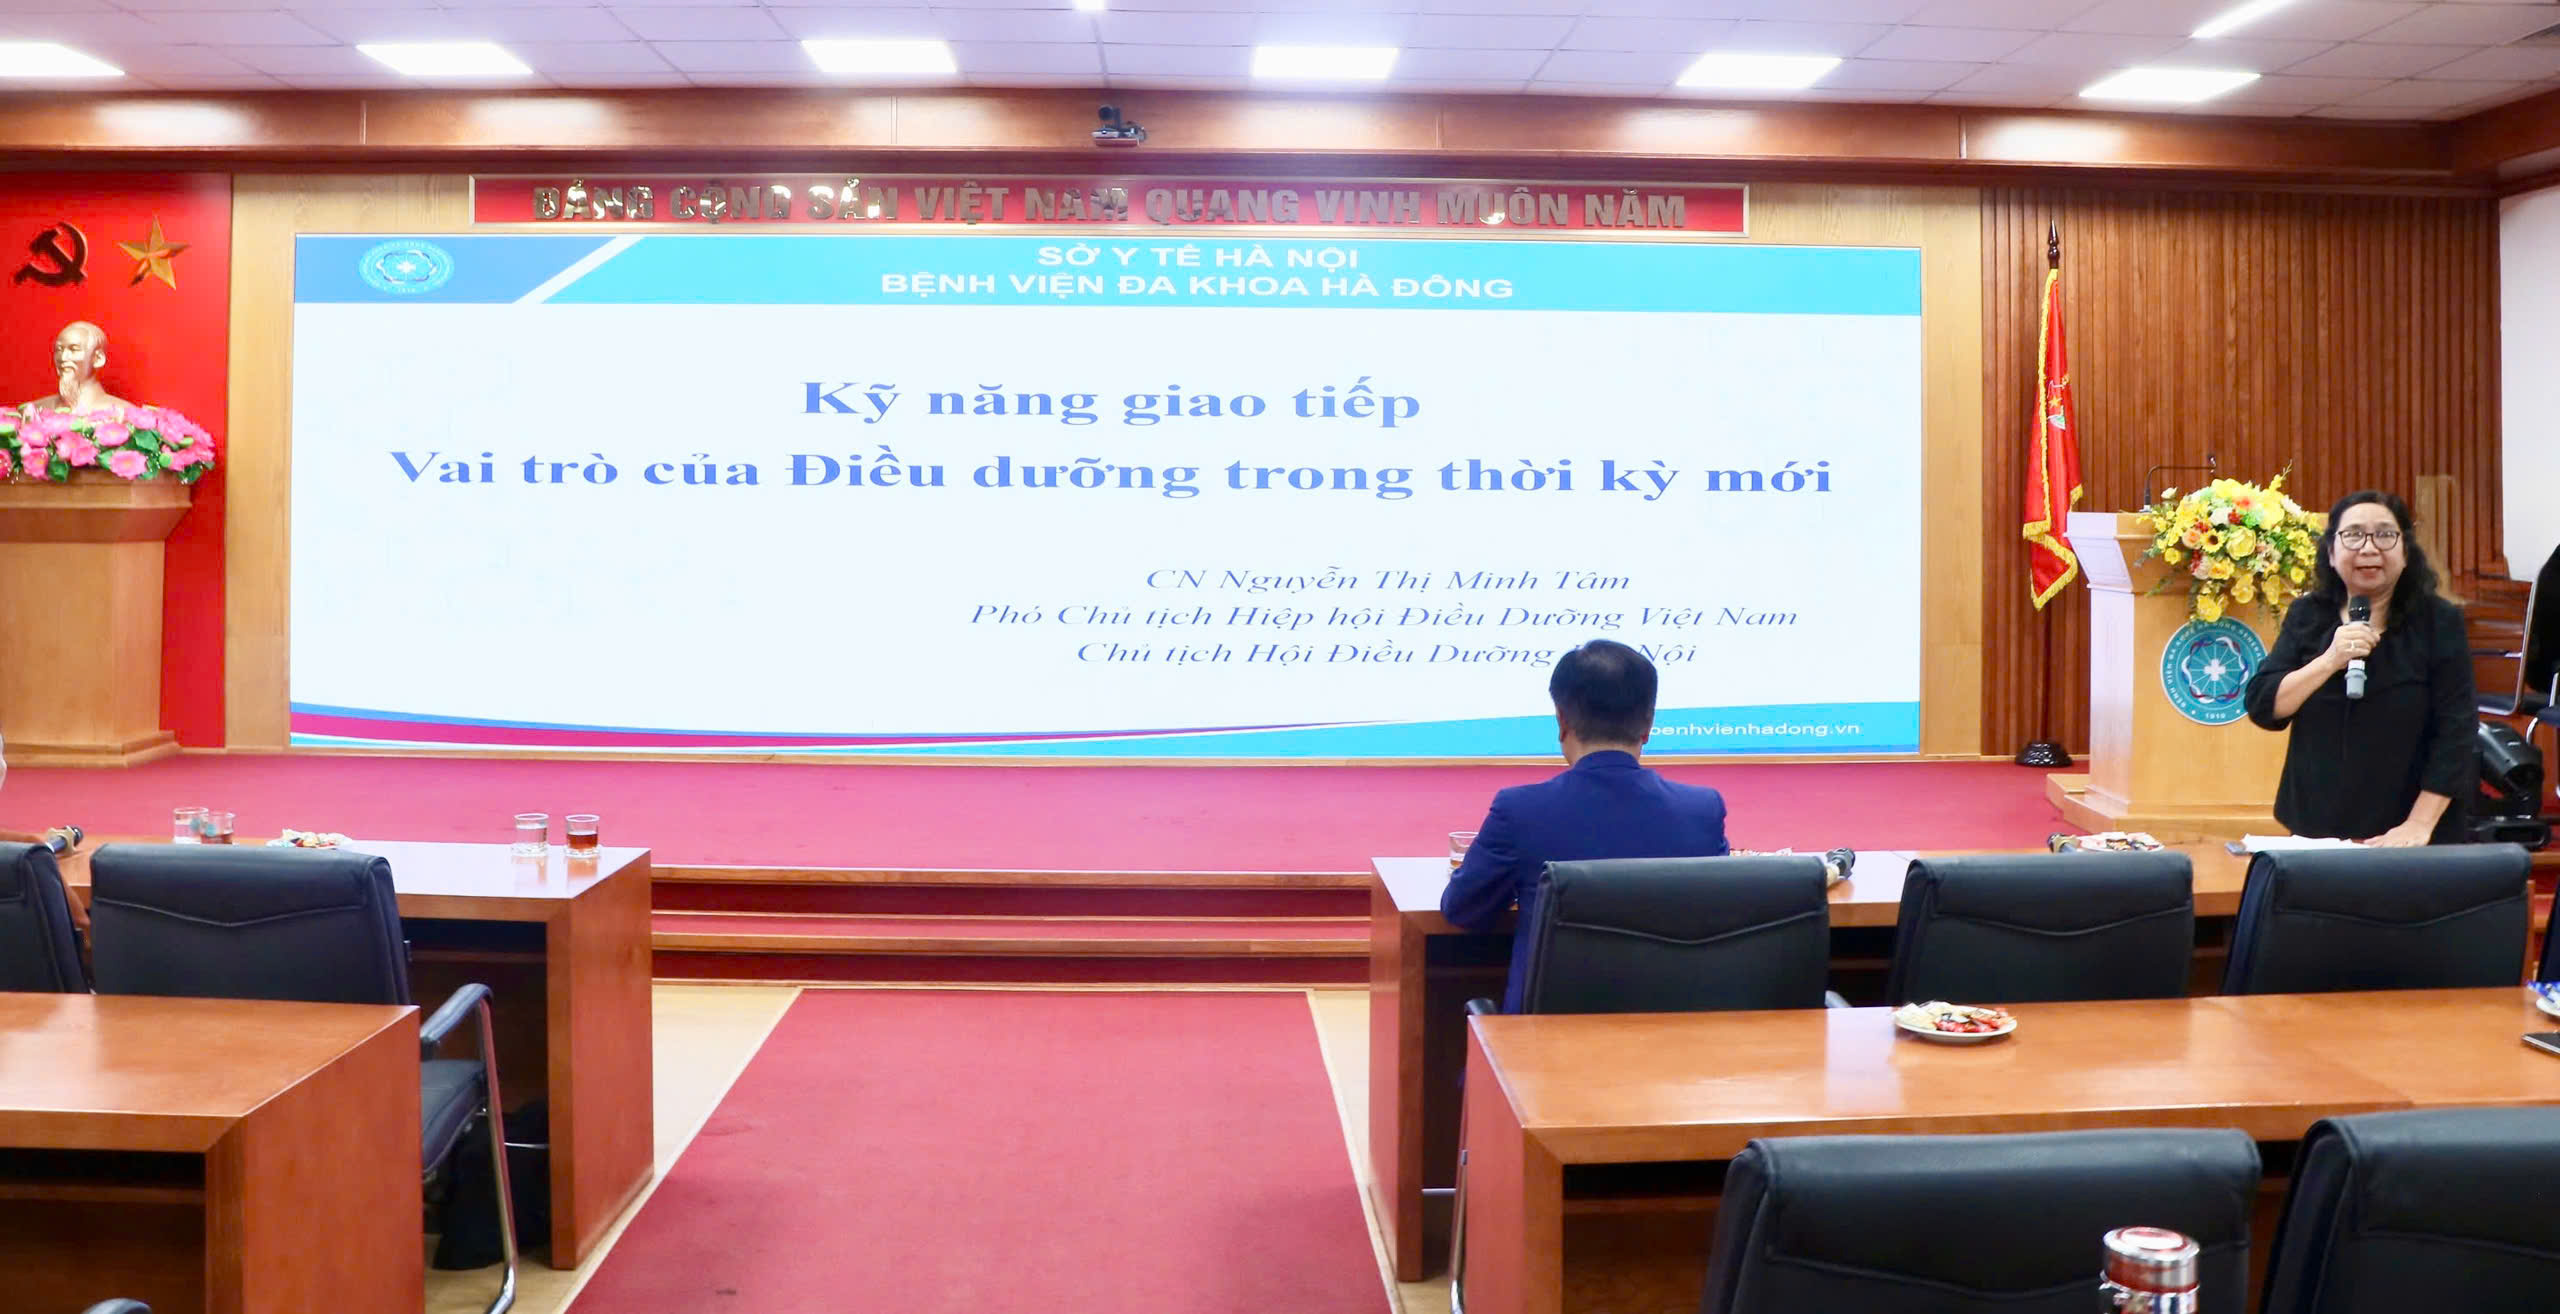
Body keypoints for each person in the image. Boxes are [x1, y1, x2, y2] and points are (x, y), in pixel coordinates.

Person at [1440, 639, 1729, 1010]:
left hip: (1542, 1040)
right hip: (1669, 1034)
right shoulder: (1702, 810)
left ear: (1562, 720)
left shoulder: (1520, 810)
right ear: (1649, 724)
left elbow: (1463, 910)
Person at [2244, 490, 2476, 846]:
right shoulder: (2308, 615)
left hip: (2409, 833)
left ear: (2405, 551)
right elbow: (2264, 705)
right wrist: (2329, 660)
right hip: (2316, 827)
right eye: (2353, 535)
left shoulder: (2439, 621)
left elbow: (2457, 731)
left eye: (2384, 535)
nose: (2369, 548)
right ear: (2331, 553)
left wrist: (2418, 825)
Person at [21, 321, 132, 416]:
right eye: (59, 350)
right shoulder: (34, 411)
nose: (63, 357)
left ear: (98, 358)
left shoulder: (122, 413)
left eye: (74, 349)